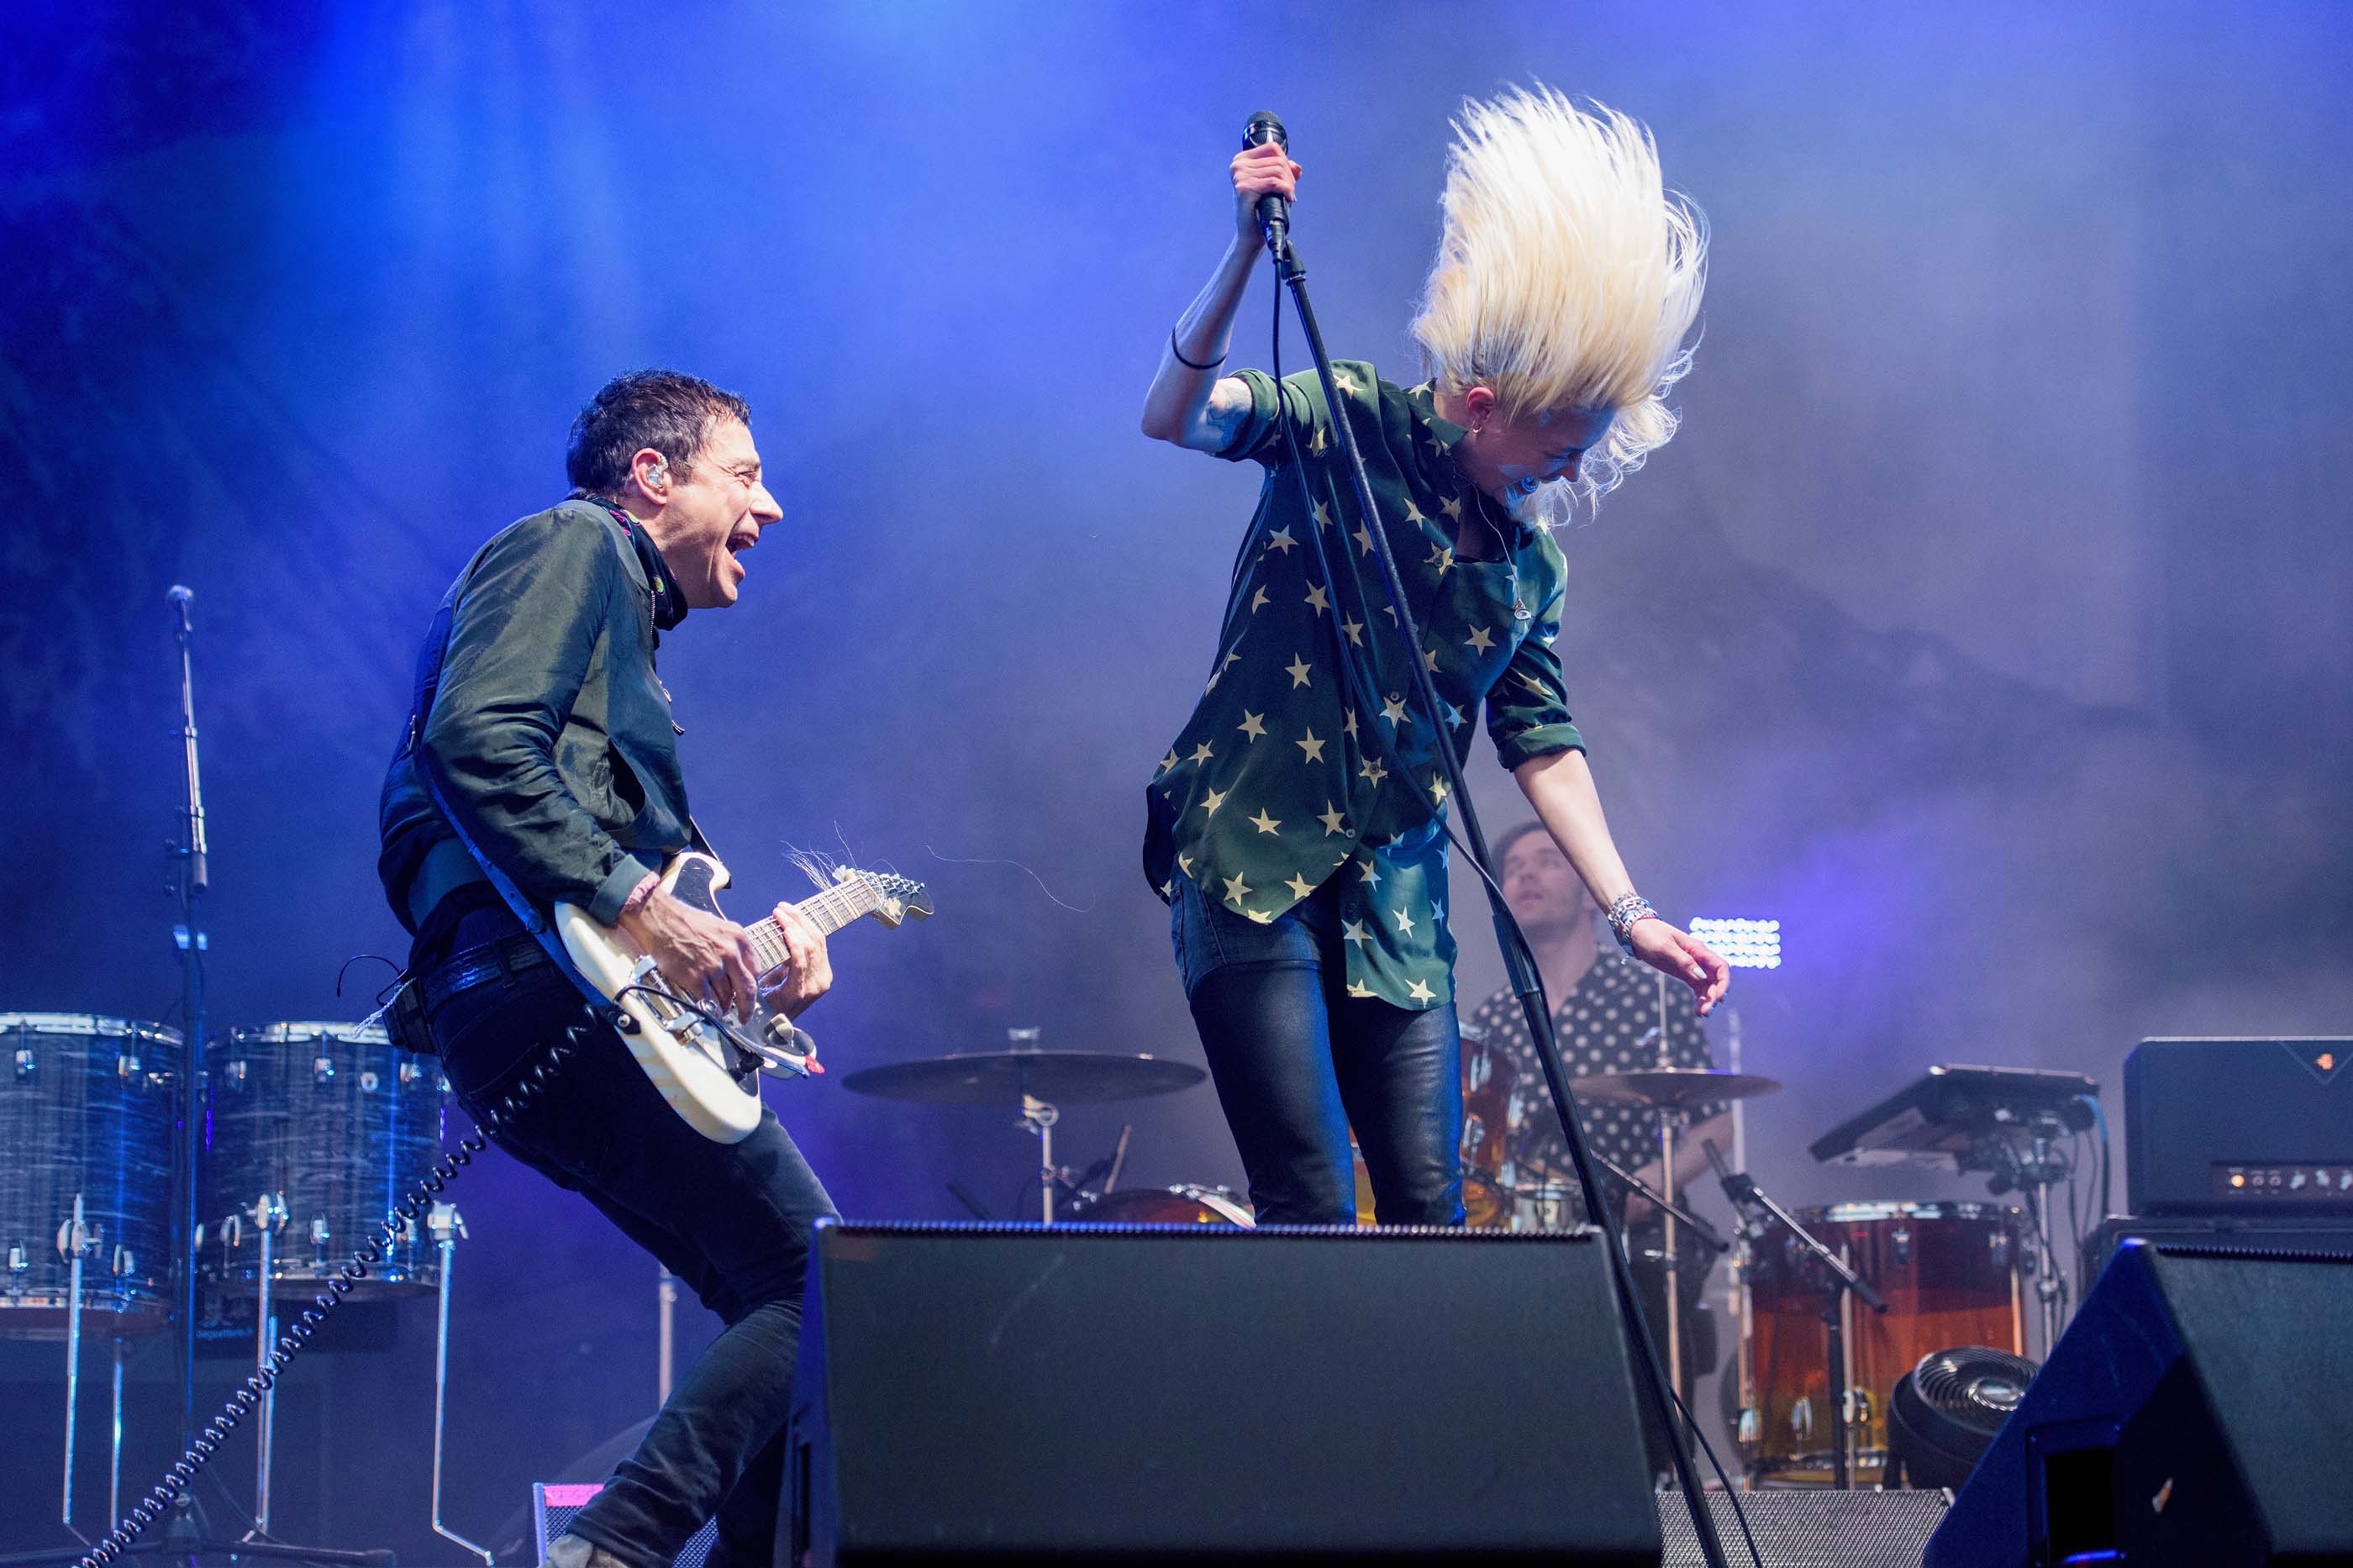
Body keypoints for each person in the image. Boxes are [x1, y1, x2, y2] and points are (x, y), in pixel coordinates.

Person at [1139, 87, 1729, 1226]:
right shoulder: (1345, 418)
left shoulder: (1527, 568)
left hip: (1397, 913)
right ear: (1478, 403)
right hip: (1251, 859)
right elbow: (1178, 414)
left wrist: (1629, 909)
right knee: (1307, 1198)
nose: (1565, 474)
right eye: (1555, 447)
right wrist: (1239, 259)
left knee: (1431, 1216)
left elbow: (1543, 745)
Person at [378, 369, 835, 1568]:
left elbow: (627, 875)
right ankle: (612, 1548)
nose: (770, 507)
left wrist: (743, 984)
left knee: (777, 1308)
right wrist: (645, 903)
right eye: (743, 473)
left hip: (532, 998)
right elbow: (472, 736)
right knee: (827, 1280)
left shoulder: (622, 624)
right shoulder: (576, 542)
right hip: (535, 987)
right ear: (653, 476)